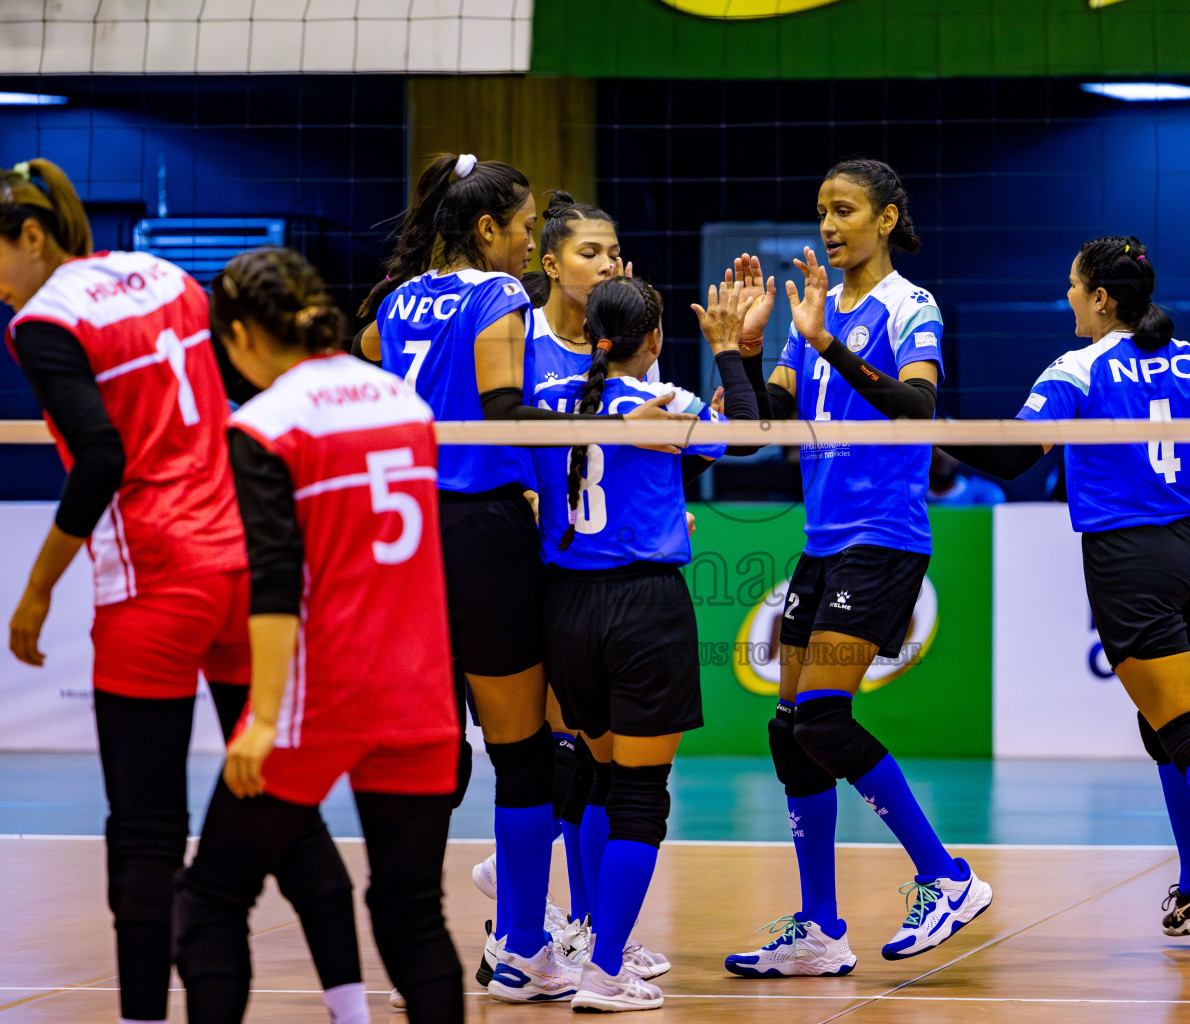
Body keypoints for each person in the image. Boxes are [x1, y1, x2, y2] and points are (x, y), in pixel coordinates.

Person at [2, 159, 360, 1024]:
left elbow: (100, 460)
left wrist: (37, 589)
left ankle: (141, 1020)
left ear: (33, 236)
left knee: (146, 828)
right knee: (280, 799)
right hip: (239, 564)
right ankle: (353, 1010)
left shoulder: (44, 322)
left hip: (155, 582)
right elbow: (239, 392)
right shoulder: (166, 274)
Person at [355, 154, 690, 1003]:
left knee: (437, 753)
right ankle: (523, 948)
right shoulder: (497, 295)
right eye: (526, 224)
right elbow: (503, 412)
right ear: (488, 231)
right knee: (525, 756)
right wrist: (603, 423)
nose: (531, 237)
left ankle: (418, 950)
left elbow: (374, 359)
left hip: (411, 533)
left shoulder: (397, 302)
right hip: (486, 527)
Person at [943, 235, 1190, 966]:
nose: (1067, 300)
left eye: (1074, 289)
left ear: (1102, 298)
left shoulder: (1077, 368)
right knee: (1165, 727)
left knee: (1186, 724)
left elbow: (1016, 458)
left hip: (1129, 560)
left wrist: (926, 427)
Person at [171, 248, 462, 1022]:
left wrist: (261, 718)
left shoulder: (267, 422)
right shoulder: (404, 404)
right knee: (411, 913)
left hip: (325, 695)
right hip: (422, 693)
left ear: (239, 334)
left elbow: (274, 581)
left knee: (208, 900)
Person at [727, 158, 992, 977]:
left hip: (884, 538)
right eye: (820, 212)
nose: (829, 226)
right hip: (823, 542)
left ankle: (946, 876)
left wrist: (829, 345)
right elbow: (756, 430)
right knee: (790, 732)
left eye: (844, 210)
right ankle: (818, 928)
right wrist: (741, 347)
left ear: (886, 218)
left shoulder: (911, 307)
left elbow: (918, 410)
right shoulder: (815, 312)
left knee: (823, 721)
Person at [530, 274, 759, 1010]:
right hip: (643, 607)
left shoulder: (548, 403)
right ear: (655, 340)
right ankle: (603, 973)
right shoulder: (664, 405)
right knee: (640, 794)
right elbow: (750, 434)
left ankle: (594, 943)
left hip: (564, 609)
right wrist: (729, 350)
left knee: (597, 775)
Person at [927, 447, 1006, 506]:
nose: (940, 454)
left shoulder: (986, 494)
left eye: (947, 448)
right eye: (933, 448)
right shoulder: (916, 494)